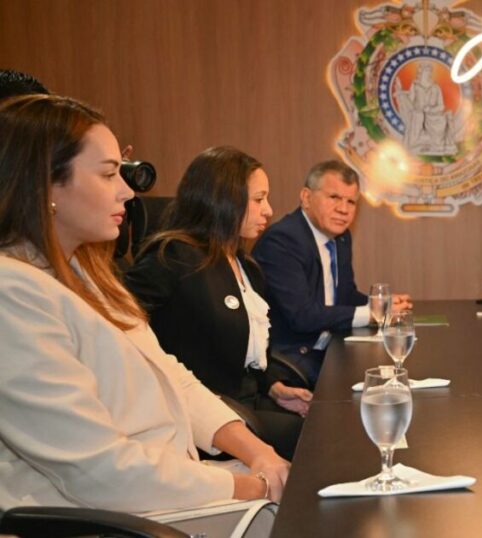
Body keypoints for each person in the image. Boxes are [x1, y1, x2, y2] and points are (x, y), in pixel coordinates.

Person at [0, 95, 289, 512]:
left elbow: (172, 377)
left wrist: (258, 453)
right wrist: (249, 487)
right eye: (108, 174)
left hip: (164, 492)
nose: (127, 192)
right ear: (44, 184)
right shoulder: (12, 292)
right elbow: (100, 472)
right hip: (115, 518)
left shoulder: (88, 273)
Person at [125, 146, 310, 460]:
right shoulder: (174, 256)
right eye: (259, 199)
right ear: (223, 199)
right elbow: (118, 329)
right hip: (206, 418)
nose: (268, 210)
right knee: (313, 438)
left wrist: (274, 386)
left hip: (248, 403)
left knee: (324, 416)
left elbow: (246, 354)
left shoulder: (246, 265)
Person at [253, 159, 412, 384]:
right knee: (376, 383)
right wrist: (371, 314)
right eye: (334, 197)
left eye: (351, 201)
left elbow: (345, 295)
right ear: (306, 197)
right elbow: (302, 316)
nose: (343, 209)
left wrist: (380, 305)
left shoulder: (340, 238)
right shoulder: (282, 241)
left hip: (331, 348)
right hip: (292, 360)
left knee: (393, 375)